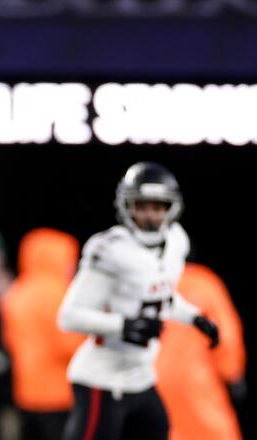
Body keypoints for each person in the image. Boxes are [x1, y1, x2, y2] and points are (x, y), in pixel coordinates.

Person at [57, 162, 220, 440]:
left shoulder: (176, 241)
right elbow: (69, 317)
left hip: (141, 375)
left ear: (172, 208)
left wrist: (194, 317)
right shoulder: (111, 249)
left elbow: (161, 297)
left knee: (157, 429)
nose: (149, 215)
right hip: (102, 378)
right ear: (125, 206)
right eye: (141, 206)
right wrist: (123, 326)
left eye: (158, 206)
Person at [0, 228, 84, 440]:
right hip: (59, 394)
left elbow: (9, 341)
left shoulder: (17, 291)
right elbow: (68, 346)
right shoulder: (60, 294)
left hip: (25, 392)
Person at [156, 262, 246, 440]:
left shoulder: (137, 281)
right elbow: (224, 333)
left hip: (149, 381)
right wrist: (232, 373)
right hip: (195, 382)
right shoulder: (202, 282)